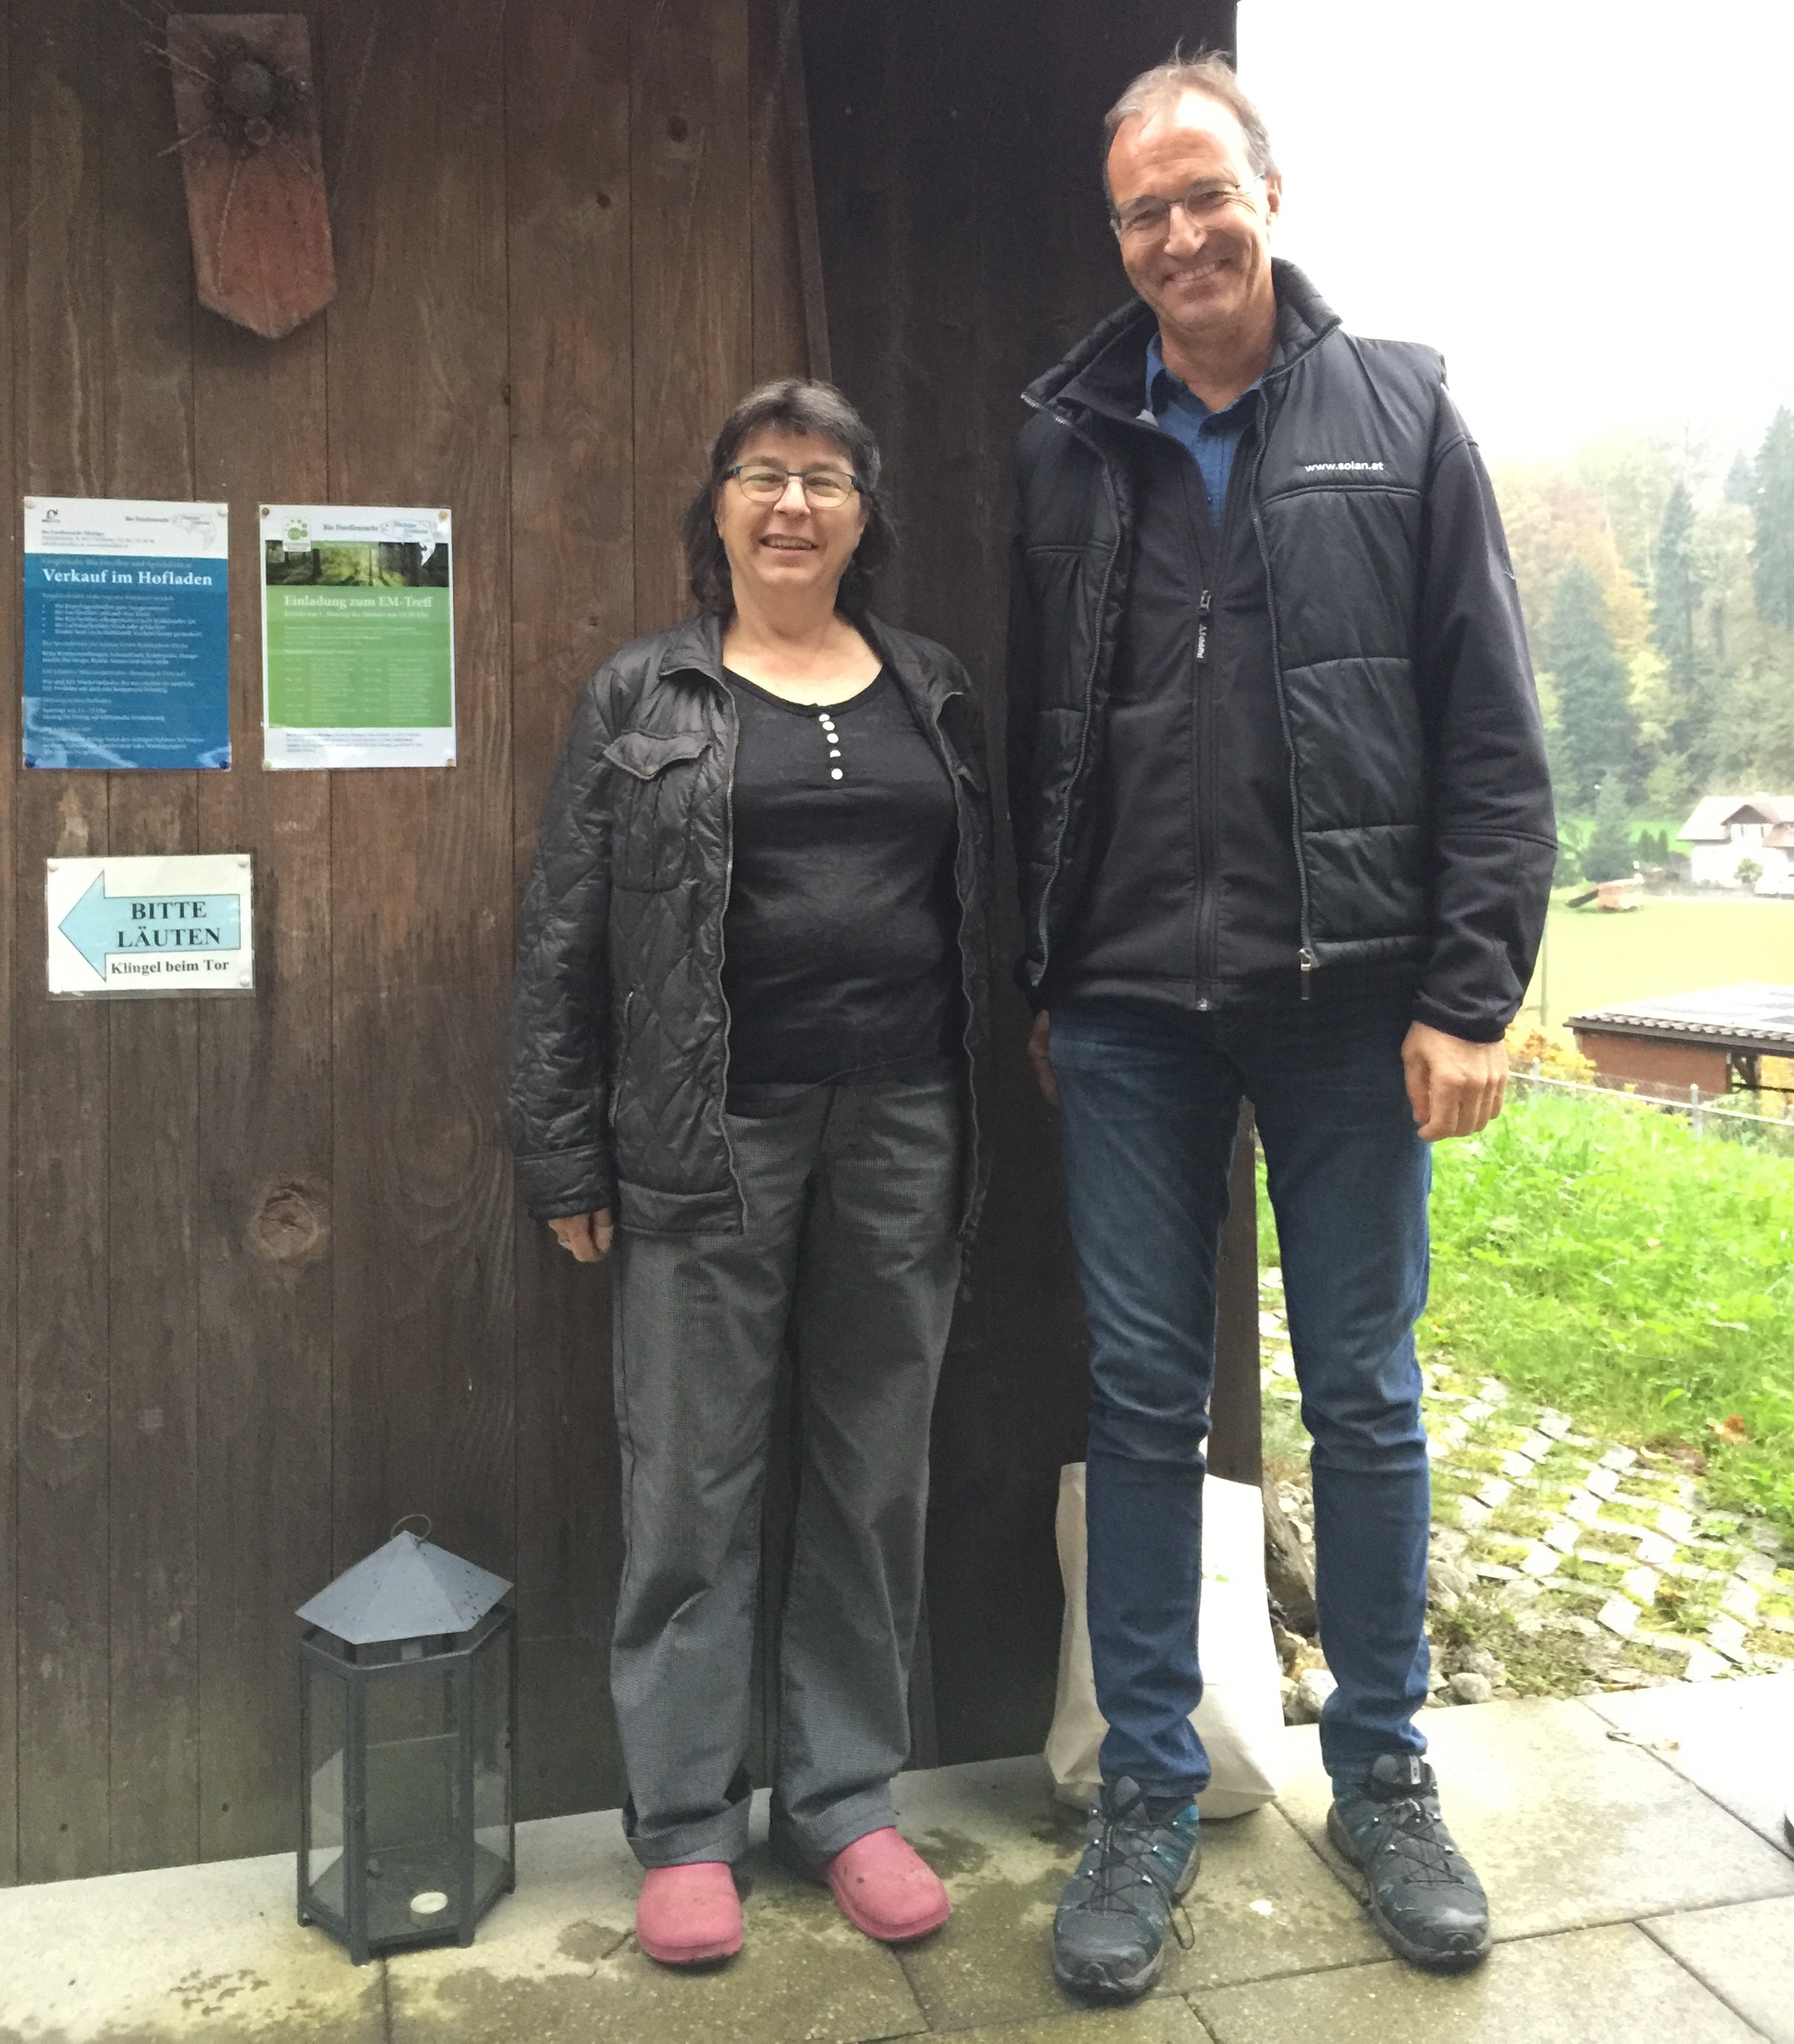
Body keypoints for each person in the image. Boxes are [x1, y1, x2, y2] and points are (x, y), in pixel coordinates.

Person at [1006, 53, 1555, 2002]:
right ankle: (1146, 1790)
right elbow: (1035, 735)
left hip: (1346, 1011)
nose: (1172, 237)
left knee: (1368, 1391)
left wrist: (1468, 983)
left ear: (1265, 189)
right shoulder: (1064, 434)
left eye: (1198, 196)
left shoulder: (1396, 409)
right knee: (1141, 1403)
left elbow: (1486, 725)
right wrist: (1045, 972)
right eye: (1137, 212)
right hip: (1135, 1014)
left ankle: (1384, 1771)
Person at [509, 378, 994, 1968]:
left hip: (905, 1124)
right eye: (762, 475)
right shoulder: (643, 692)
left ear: (865, 513)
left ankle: (846, 1800)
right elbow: (564, 932)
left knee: (872, 1474)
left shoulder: (929, 686)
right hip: (702, 1136)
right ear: (715, 507)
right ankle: (686, 1827)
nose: (793, 503)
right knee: (693, 1481)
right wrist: (563, 1139)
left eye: (826, 478)